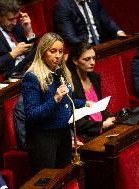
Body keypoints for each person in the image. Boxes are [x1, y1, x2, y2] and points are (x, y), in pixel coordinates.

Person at [22, 33, 92, 172]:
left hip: (64, 133)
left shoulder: (61, 72)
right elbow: (32, 114)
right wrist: (55, 99)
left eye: (60, 51)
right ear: (43, 52)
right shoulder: (32, 77)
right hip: (44, 139)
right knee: (49, 181)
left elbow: (66, 101)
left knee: (64, 177)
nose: (58, 56)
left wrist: (84, 103)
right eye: (52, 51)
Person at [67, 42, 115, 142]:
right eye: (87, 59)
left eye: (93, 58)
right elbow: (75, 121)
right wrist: (101, 125)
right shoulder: (70, 83)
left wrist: (111, 119)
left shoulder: (94, 77)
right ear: (75, 61)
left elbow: (99, 107)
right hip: (87, 134)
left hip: (103, 128)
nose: (92, 62)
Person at [0, 0, 37, 80]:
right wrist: (13, 54)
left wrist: (29, 32)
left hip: (30, 65)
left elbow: (30, 50)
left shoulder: (14, 25)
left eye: (16, 18)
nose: (15, 22)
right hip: (13, 72)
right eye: (11, 19)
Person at [53, 0, 126, 47]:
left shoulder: (93, 1)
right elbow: (69, 37)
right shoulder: (62, 6)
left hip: (102, 44)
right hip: (82, 49)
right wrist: (87, 48)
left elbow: (106, 20)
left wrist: (119, 32)